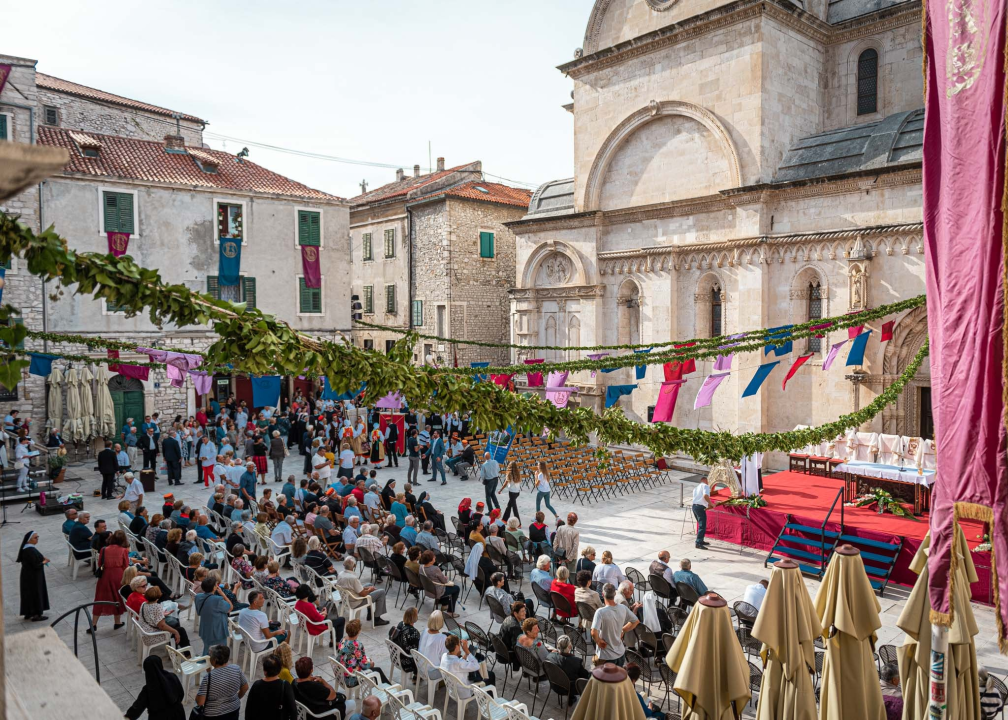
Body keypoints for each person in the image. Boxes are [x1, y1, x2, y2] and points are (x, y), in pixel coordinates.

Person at [591, 583, 639, 666]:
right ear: (615, 594)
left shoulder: (600, 612)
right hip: (620, 653)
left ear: (602, 594)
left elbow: (593, 632)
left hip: (606, 656)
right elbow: (636, 621)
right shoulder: (623, 608)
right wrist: (623, 630)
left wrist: (598, 641)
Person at [90, 530, 130, 632]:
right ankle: (117, 622)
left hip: (105, 576)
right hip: (118, 576)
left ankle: (93, 625)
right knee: (117, 598)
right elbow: (126, 566)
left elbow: (100, 563)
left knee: (100, 598)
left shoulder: (104, 549)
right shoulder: (124, 550)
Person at [196, 644, 249, 720]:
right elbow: (245, 687)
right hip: (234, 710)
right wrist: (236, 698)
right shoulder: (236, 669)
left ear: (215, 660)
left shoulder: (208, 678)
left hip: (213, 715)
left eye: (211, 656)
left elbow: (200, 702)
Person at [125, 656, 185, 720]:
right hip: (178, 714)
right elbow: (181, 694)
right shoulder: (172, 677)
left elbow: (136, 709)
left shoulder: (148, 690)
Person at [336, 557, 389, 626]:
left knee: (369, 584)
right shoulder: (353, 578)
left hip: (347, 599)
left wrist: (368, 588)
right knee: (381, 592)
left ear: (344, 564)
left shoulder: (340, 574)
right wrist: (370, 590)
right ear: (354, 566)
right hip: (355, 602)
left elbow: (353, 588)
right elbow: (363, 594)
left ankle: (370, 613)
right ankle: (377, 619)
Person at [337, 618, 391, 686]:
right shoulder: (357, 645)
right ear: (359, 631)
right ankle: (390, 690)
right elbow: (364, 666)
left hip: (341, 674)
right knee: (377, 671)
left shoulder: (343, 640)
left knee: (375, 669)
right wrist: (371, 664)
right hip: (351, 678)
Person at [245, 655, 297, 720]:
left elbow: (249, 710)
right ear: (280, 669)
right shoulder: (285, 685)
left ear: (265, 671)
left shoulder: (256, 685)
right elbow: (293, 710)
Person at [546, 635, 592, 704]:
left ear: (558, 646)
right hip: (570, 689)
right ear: (570, 647)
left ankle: (571, 698)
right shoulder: (576, 662)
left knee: (567, 675)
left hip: (555, 685)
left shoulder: (550, 657)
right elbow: (585, 676)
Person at [17, 531, 49, 621]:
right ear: (28, 540)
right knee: (36, 593)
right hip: (33, 577)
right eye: (35, 538)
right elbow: (36, 565)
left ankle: (28, 612)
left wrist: (42, 558)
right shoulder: (30, 550)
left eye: (37, 537)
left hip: (28, 575)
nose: (37, 539)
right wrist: (44, 562)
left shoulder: (27, 548)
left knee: (28, 594)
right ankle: (36, 614)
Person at [196, 577, 233, 653]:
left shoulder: (198, 597)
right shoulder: (217, 600)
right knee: (220, 653)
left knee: (207, 649)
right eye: (216, 585)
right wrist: (223, 595)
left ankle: (206, 662)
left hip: (204, 629)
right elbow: (230, 607)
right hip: (217, 631)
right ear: (213, 588)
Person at [419, 549, 460, 616]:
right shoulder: (435, 569)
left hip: (428, 590)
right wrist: (445, 578)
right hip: (437, 591)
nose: (435, 557)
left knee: (446, 587)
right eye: (433, 556)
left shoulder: (421, 567)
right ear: (430, 560)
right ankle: (450, 611)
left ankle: (444, 604)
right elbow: (444, 581)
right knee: (456, 588)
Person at [389, 606, 421, 677]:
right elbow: (416, 651)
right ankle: (416, 675)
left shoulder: (400, 624)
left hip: (395, 656)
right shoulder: (414, 632)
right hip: (406, 662)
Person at [499, 602, 527, 670]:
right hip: (509, 653)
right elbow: (516, 647)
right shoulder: (515, 627)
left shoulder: (508, 618)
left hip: (503, 647)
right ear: (515, 613)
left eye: (524, 610)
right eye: (522, 611)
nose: (525, 613)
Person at [692, 477, 711, 550]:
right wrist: (711, 503)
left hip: (694, 507)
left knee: (701, 525)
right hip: (700, 507)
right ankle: (698, 542)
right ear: (705, 480)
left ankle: (701, 540)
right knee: (702, 525)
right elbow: (705, 495)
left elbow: (699, 498)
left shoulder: (696, 488)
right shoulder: (705, 486)